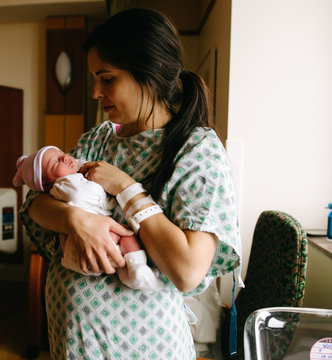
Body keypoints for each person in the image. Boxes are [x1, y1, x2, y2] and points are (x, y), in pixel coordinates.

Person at [19, 8, 242, 359]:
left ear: (149, 73)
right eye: (95, 78)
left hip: (141, 347)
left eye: (107, 79)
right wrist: (77, 221)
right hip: (73, 341)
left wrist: (126, 187)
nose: (95, 91)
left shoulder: (196, 150)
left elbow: (187, 270)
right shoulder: (98, 140)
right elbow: (34, 203)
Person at [13, 145, 167, 292]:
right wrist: (108, 197)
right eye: (55, 162)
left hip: (89, 251)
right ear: (47, 185)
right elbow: (90, 196)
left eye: (62, 153)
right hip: (84, 247)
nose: (65, 158)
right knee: (127, 235)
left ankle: (131, 273)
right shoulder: (64, 185)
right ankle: (137, 267)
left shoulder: (69, 179)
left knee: (122, 243)